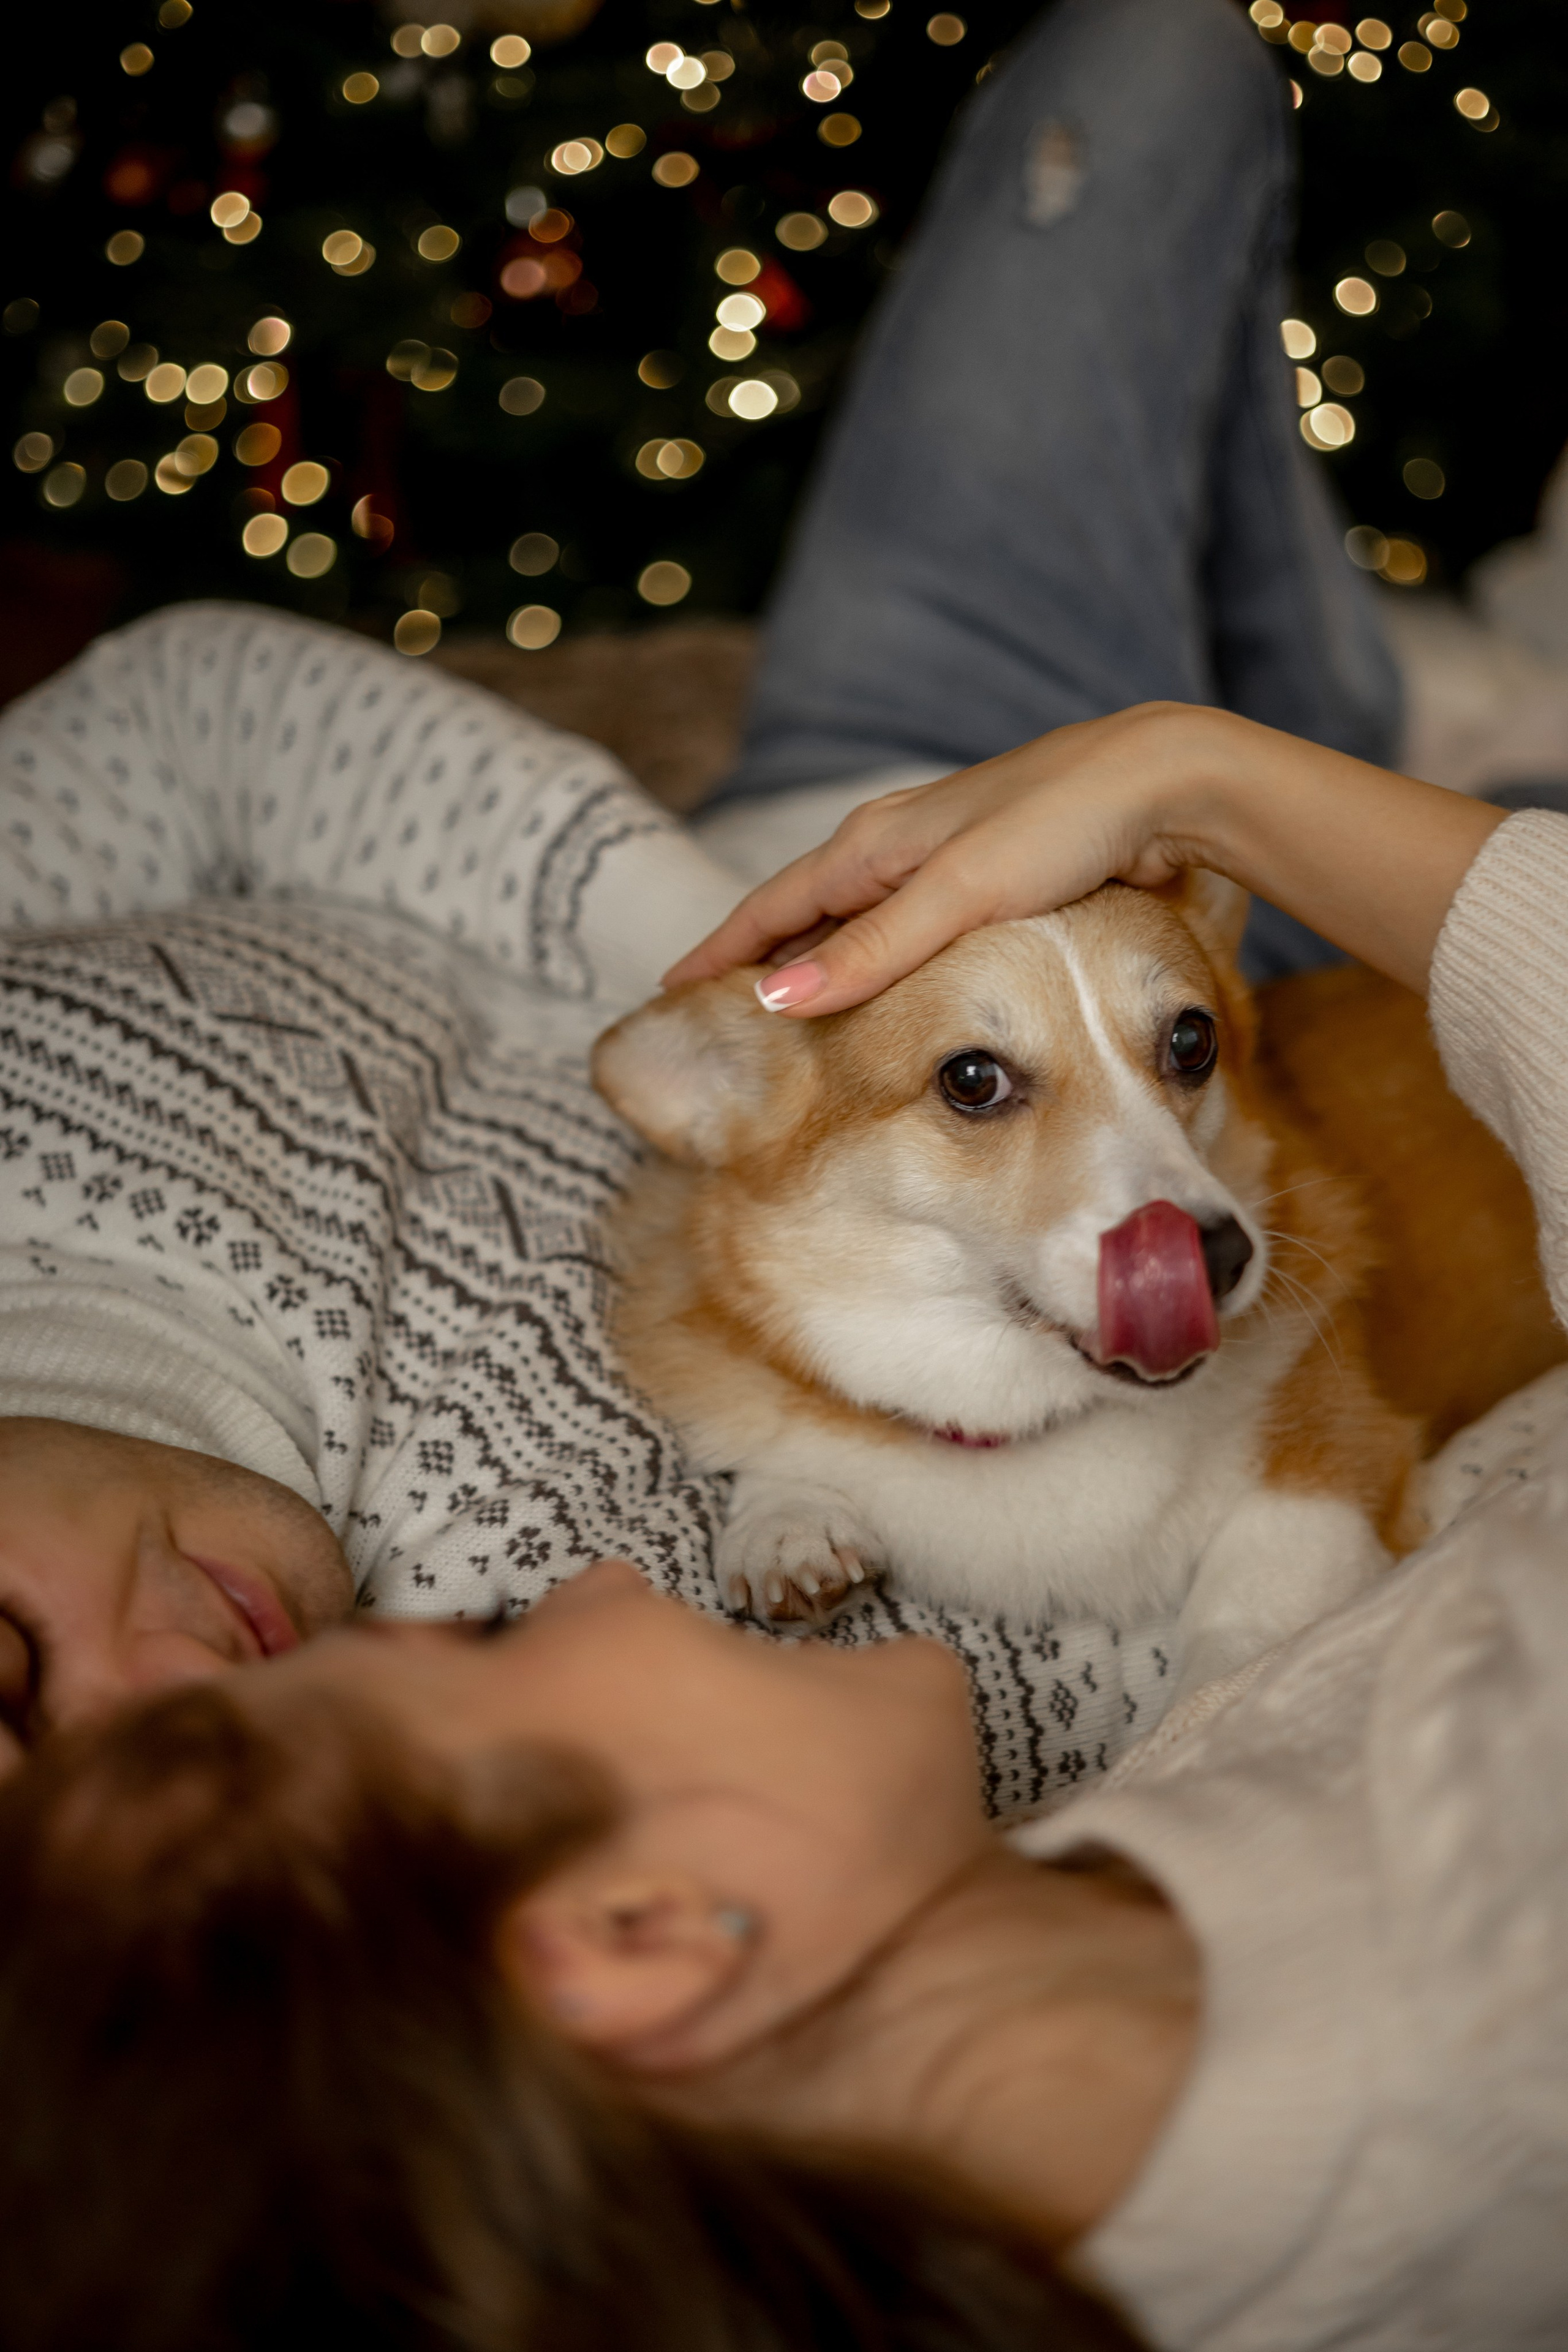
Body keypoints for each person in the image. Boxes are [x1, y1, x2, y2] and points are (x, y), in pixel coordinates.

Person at [3, 720, 1567, 2350]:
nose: (599, 1568)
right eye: (481, 1633)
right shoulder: (1500, 1926)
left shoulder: (1128, 1942)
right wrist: (1205, 768)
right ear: (642, 1935)